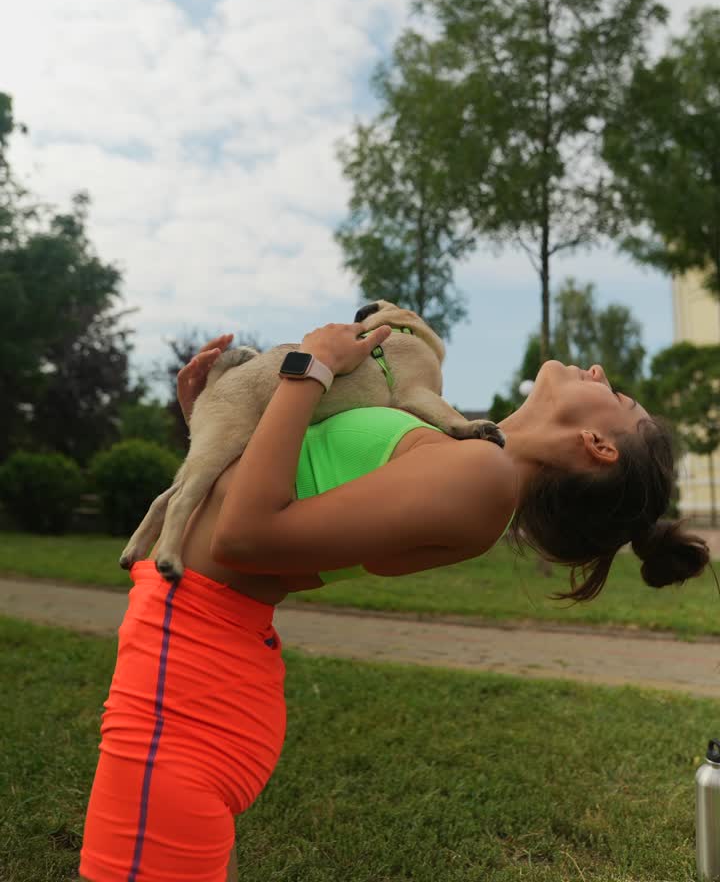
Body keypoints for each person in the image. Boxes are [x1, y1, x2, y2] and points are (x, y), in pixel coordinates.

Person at [78, 320, 710, 882]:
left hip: (186, 679)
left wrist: (311, 368)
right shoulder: (452, 450)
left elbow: (242, 537)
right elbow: (271, 495)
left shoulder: (482, 479)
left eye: (618, 397)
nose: (599, 371)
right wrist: (218, 414)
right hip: (202, 672)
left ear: (599, 444)